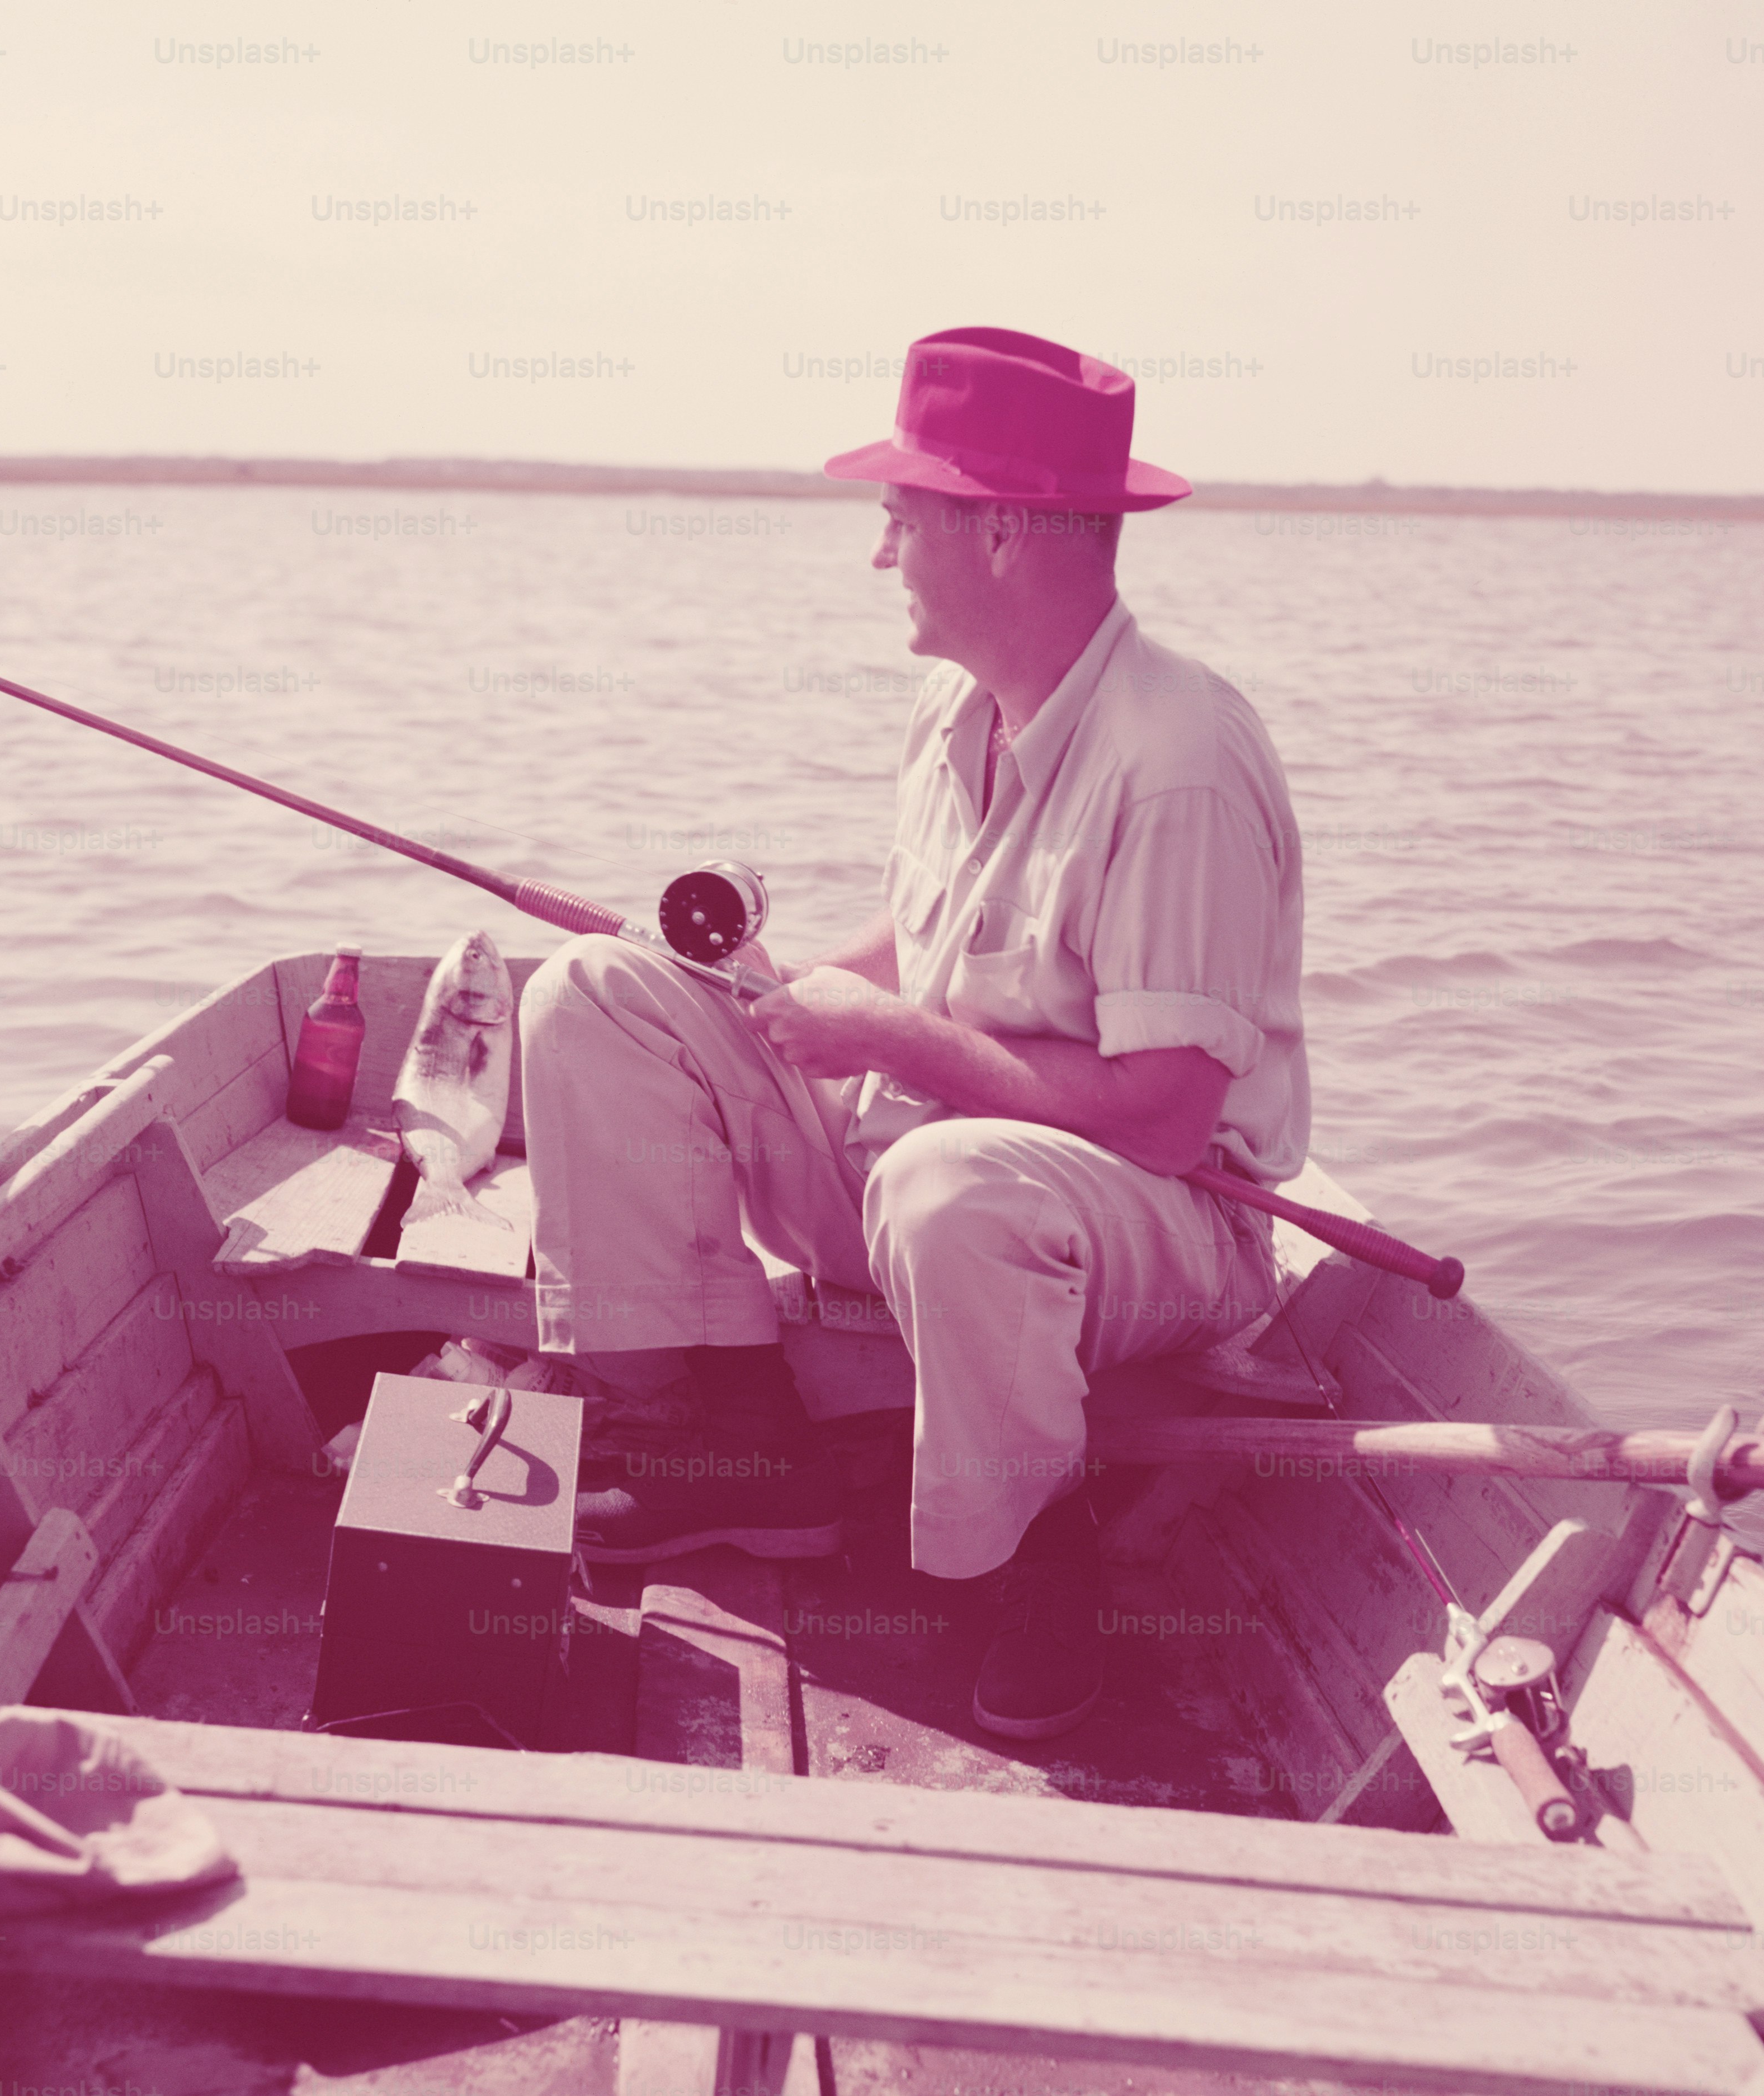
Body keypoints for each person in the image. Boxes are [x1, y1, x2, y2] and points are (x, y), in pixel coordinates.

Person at [518, 326, 1309, 1739]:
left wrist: (889, 1033)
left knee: (948, 1189)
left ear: (1001, 533)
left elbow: (1169, 1117)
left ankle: (1033, 1551)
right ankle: (719, 1439)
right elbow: (929, 938)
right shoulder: (957, 703)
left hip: (1158, 1230)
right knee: (595, 992)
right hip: (913, 1162)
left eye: (899, 519)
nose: (879, 556)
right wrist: (770, 1002)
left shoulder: (1176, 759)